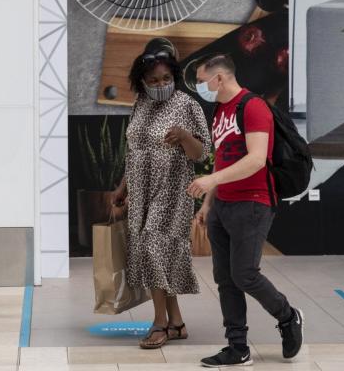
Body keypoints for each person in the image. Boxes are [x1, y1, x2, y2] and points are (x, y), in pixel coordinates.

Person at [187, 53, 304, 366]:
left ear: (220, 78)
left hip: (252, 202)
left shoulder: (253, 106)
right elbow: (224, 157)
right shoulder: (220, 110)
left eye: (201, 81)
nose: (200, 87)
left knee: (245, 274)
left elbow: (255, 159)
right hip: (222, 204)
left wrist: (211, 179)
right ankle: (237, 348)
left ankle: (288, 316)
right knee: (225, 278)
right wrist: (209, 201)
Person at [110, 41, 211, 349]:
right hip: (141, 191)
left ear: (174, 77)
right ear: (142, 82)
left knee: (154, 248)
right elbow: (136, 150)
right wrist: (123, 188)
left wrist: (183, 136)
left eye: (166, 79)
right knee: (157, 254)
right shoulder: (140, 104)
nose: (160, 85)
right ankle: (177, 322)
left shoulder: (187, 105)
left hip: (172, 191)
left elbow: (201, 153)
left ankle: (159, 325)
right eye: (153, 81)